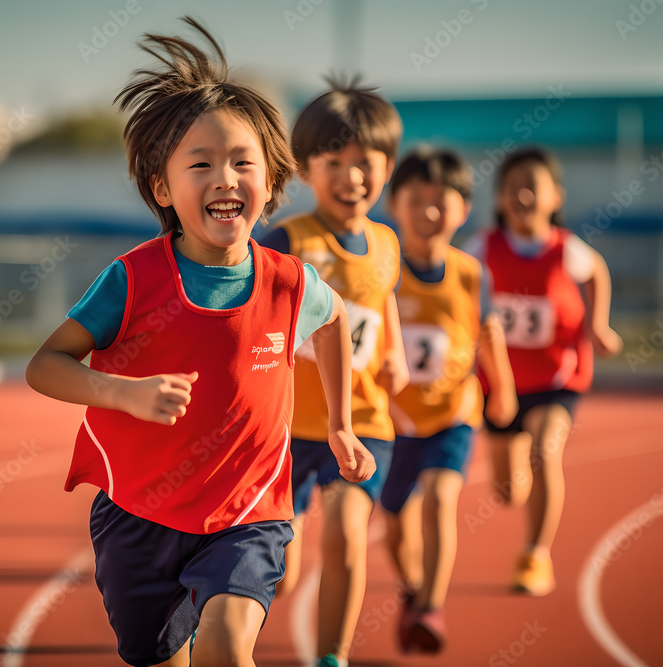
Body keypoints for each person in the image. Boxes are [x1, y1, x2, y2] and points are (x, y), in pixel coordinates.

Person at [24, 19, 375, 667]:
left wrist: (342, 424)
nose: (226, 178)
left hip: (251, 511)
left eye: (244, 162)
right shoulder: (132, 280)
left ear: (270, 181)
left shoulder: (292, 283)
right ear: (163, 188)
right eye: (202, 164)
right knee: (160, 655)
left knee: (224, 642)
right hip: (139, 513)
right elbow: (45, 364)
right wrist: (118, 391)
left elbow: (330, 325)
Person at [259, 77, 408, 667]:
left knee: (348, 535)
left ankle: (331, 656)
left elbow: (382, 298)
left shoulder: (387, 243)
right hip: (287, 428)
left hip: (363, 421)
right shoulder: (287, 241)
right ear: (303, 170)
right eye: (334, 162)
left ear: (388, 167)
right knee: (283, 568)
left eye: (365, 163)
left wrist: (391, 350)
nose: (352, 177)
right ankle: (215, 632)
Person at [463, 146, 622, 597]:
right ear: (499, 199)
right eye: (512, 187)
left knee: (545, 451)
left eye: (533, 186)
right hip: (498, 383)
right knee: (507, 491)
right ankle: (522, 486)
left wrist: (598, 323)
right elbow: (454, 283)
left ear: (556, 197)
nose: (522, 195)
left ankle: (535, 555)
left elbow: (597, 271)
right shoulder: (481, 247)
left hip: (556, 378)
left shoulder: (566, 249)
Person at [379, 147, 517, 654]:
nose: (430, 213)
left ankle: (432, 606)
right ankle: (414, 589)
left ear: (464, 210)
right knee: (394, 524)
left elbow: (487, 333)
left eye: (444, 202)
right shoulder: (383, 271)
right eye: (417, 200)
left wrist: (501, 388)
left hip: (453, 415)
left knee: (440, 498)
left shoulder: (472, 273)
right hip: (393, 422)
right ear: (395, 205)